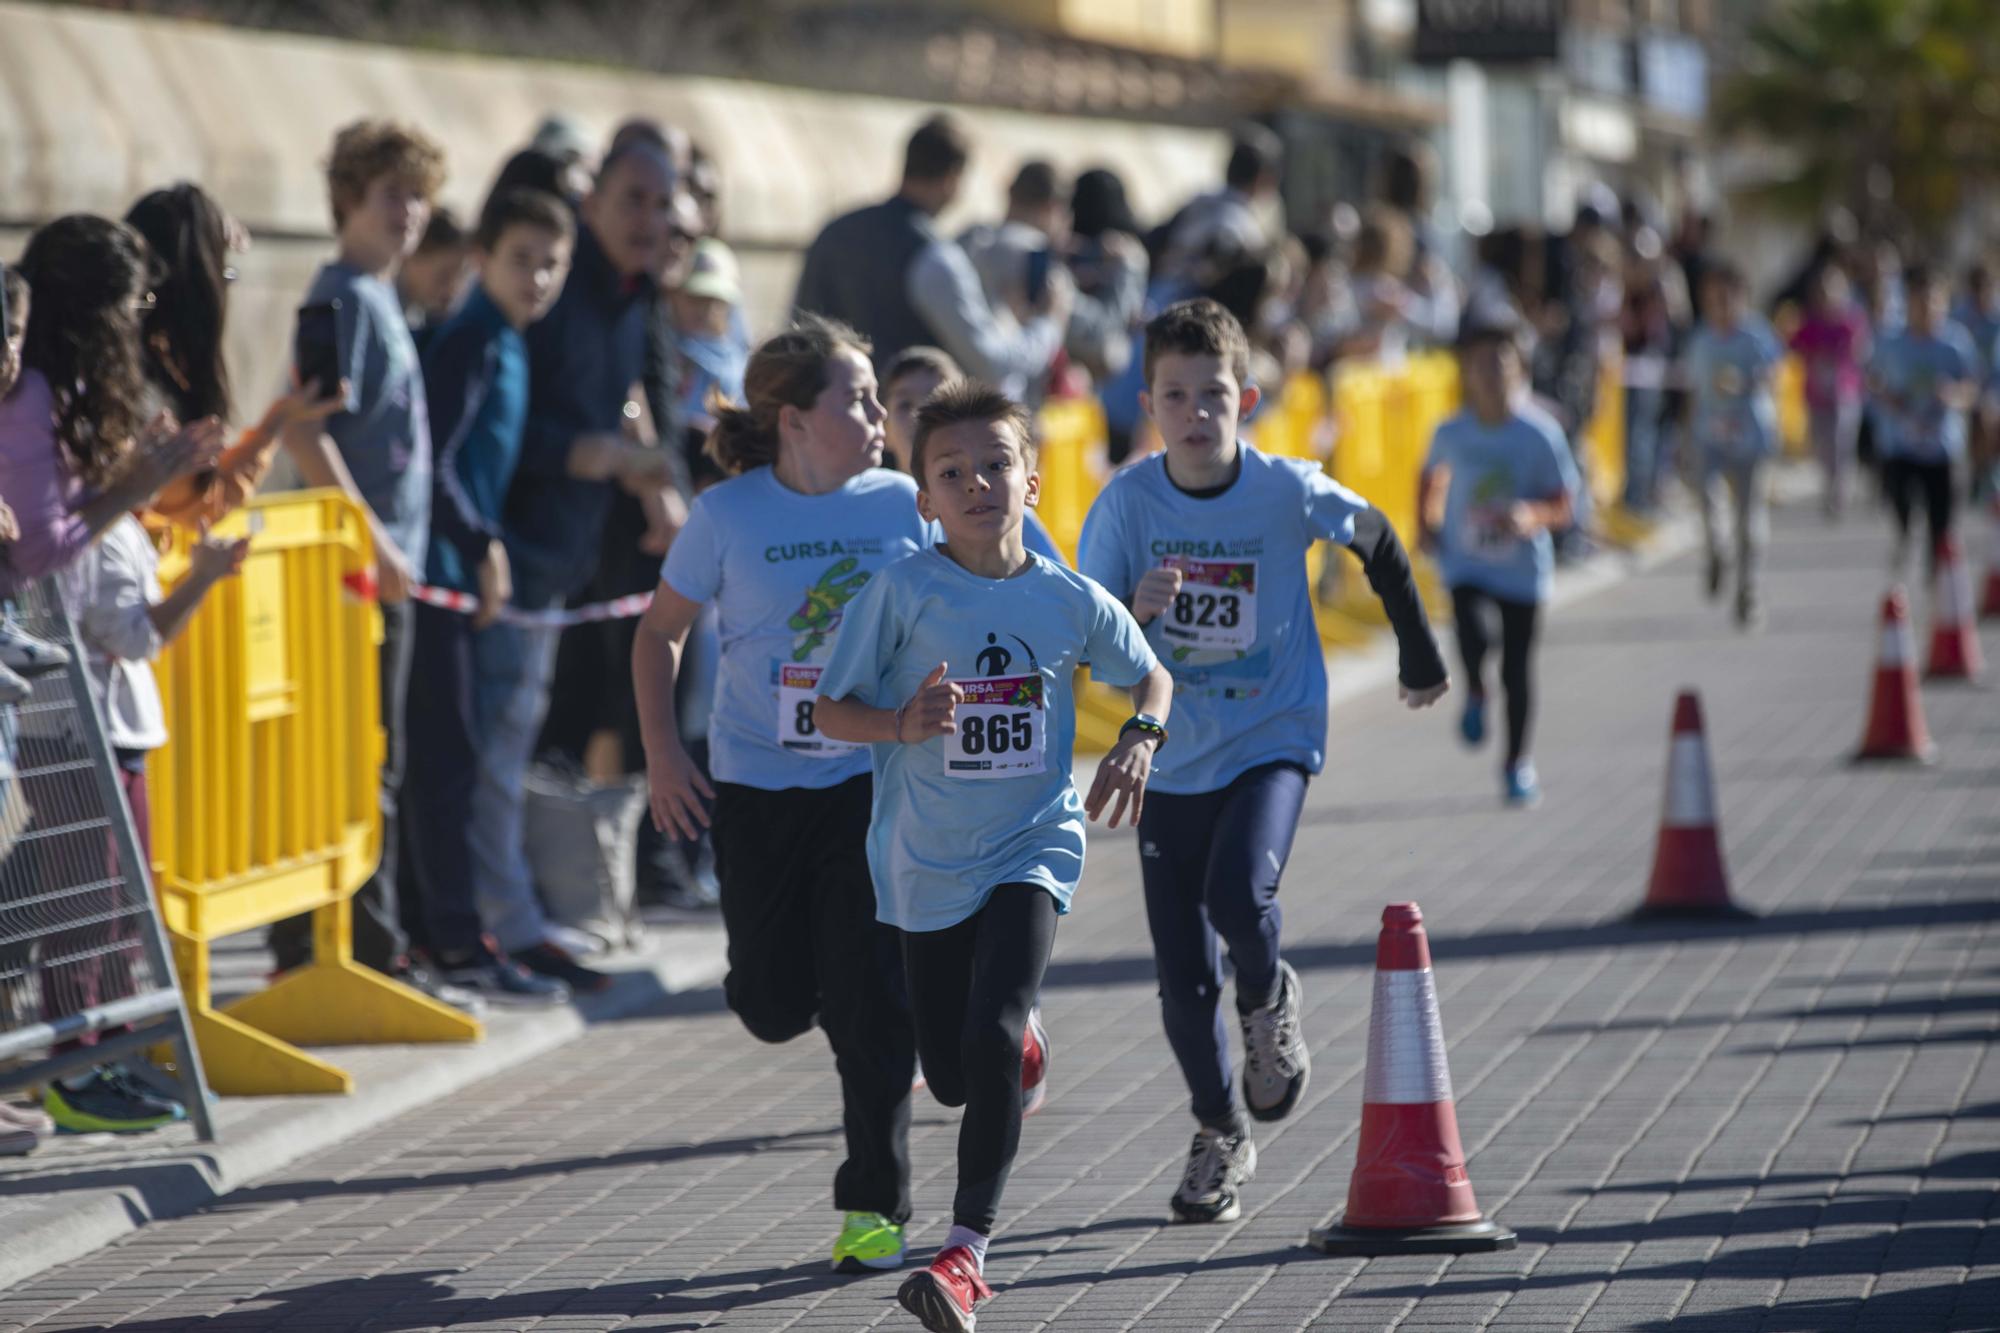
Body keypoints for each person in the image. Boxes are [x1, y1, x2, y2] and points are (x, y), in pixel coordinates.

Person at [1077, 299, 1448, 1224]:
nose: (1196, 413)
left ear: (1247, 398)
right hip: (1172, 751)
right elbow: (1086, 638)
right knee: (1178, 978)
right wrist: (1136, 605)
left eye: (1214, 395)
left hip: (1272, 733)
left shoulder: (1286, 489)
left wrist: (1418, 652)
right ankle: (1218, 1129)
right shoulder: (1127, 502)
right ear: (1150, 404)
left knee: (1239, 893)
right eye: (1174, 395)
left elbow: (1379, 539)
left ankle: (1267, 992)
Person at [814, 382, 1170, 1333]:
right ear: (924, 497)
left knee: (991, 1028)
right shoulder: (901, 590)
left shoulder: (1065, 598)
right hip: (926, 861)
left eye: (996, 464)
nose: (977, 483)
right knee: (957, 1069)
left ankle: (967, 1251)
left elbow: (1151, 671)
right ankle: (1019, 1050)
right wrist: (899, 720)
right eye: (951, 471)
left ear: (1034, 481)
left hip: (1031, 842)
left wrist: (1139, 735)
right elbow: (827, 709)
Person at [633, 317, 926, 1275]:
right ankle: (829, 990)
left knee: (867, 1003)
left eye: (880, 396)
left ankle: (874, 1208)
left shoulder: (901, 503)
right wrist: (666, 756)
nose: (880, 414)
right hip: (757, 788)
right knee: (769, 1002)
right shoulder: (729, 514)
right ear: (795, 419)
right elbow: (658, 634)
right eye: (858, 398)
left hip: (866, 783)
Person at [2, 215, 223, 1133]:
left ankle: (106, 1054)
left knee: (112, 890)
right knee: (78, 887)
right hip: (56, 696)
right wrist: (136, 485)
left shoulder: (66, 391)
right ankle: (68, 1062)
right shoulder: (36, 396)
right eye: (130, 302)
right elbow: (46, 546)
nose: (140, 317)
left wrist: (139, 473)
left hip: (85, 690)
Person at [483, 137, 678, 989]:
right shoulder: (554, 299)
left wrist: (654, 477)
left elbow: (654, 404)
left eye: (663, 204)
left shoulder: (639, 295)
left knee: (541, 741)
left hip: (578, 558)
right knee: (501, 750)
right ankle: (496, 927)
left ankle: (539, 912)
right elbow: (506, 434)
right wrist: (595, 455)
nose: (651, 219)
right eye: (634, 199)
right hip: (511, 559)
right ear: (592, 197)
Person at [273, 120, 446, 979]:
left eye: (419, 195)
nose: (409, 212)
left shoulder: (382, 295)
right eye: (390, 194)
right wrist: (374, 542)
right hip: (349, 579)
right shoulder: (341, 296)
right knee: (357, 759)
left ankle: (359, 942)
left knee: (377, 756)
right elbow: (304, 434)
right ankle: (345, 948)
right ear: (347, 198)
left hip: (378, 572)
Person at [403, 185, 581, 1004]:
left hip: (458, 579)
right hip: (440, 578)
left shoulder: (508, 339)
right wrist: (484, 548)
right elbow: (430, 460)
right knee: (443, 763)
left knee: (455, 756)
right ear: (480, 259)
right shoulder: (471, 340)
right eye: (521, 260)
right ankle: (449, 941)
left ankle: (450, 932)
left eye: (551, 264)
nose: (537, 278)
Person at [1418, 304, 1579, 806]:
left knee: (1517, 670)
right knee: (1469, 631)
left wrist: (1531, 516)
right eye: (1480, 363)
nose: (1490, 374)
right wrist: (1425, 524)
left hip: (1523, 569)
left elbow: (1566, 503)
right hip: (1467, 559)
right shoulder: (1452, 431)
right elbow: (1429, 476)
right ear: (1466, 371)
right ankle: (1474, 691)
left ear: (1519, 369)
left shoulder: (1540, 433)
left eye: (1500, 363)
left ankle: (1516, 764)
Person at [793, 113, 1068, 400]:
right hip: (899, 430)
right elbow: (991, 362)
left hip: (822, 418)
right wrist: (1046, 325)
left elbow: (798, 329)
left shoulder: (834, 231)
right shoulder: (934, 256)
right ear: (952, 178)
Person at [124, 183, 345, 531]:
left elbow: (201, 503)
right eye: (223, 275)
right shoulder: (139, 392)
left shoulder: (157, 365)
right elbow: (194, 513)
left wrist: (277, 420)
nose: (226, 291)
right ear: (196, 286)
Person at [880, 346, 1064, 564]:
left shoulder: (1006, 513)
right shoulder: (875, 516)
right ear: (882, 429)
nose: (920, 414)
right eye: (905, 405)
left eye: (936, 399)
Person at [1684, 263, 1784, 626]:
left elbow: (1774, 376)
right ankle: (1717, 552)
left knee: (1749, 518)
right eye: (1714, 299)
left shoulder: (1757, 336)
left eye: (1728, 298)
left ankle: (1749, 589)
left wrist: (1744, 383)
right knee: (1710, 506)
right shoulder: (1701, 339)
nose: (1721, 306)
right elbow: (1694, 391)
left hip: (1751, 437)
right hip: (1709, 437)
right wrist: (1685, 438)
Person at [1870, 265, 1979, 575]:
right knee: (1899, 501)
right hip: (1900, 444)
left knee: (1941, 522)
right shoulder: (1892, 342)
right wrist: (1887, 395)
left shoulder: (1955, 343)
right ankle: (1903, 535)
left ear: (1943, 303)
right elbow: (1872, 379)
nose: (1926, 311)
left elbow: (1972, 387)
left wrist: (1954, 395)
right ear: (1908, 304)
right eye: (1919, 303)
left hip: (1942, 445)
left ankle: (1936, 576)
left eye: (1933, 303)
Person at [1790, 264, 1871, 518]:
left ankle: (1839, 492)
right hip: (1816, 395)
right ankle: (1830, 483)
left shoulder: (1851, 322)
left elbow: (1861, 352)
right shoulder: (1810, 322)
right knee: (1822, 444)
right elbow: (1794, 346)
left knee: (1841, 442)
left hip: (1844, 394)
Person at [397, 206, 473, 350]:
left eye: (460, 277)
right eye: (444, 275)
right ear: (414, 255)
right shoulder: (387, 307)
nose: (452, 289)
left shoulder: (419, 317)